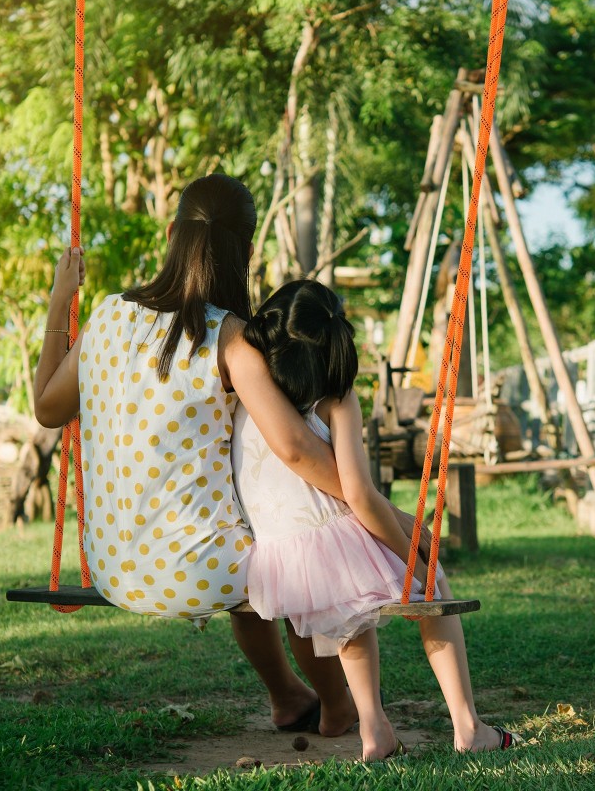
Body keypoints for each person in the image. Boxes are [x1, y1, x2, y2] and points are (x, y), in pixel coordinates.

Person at [33, 174, 357, 736]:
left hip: (116, 568)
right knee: (296, 553)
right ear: (249, 252)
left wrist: (62, 298)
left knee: (250, 556)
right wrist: (370, 510)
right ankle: (337, 706)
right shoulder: (228, 336)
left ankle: (286, 696)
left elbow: (46, 407)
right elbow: (296, 448)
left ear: (170, 233)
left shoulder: (107, 315)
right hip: (199, 571)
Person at [232, 279, 521, 760]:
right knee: (433, 587)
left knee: (351, 623)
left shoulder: (249, 399)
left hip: (278, 555)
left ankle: (375, 729)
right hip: (335, 533)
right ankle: (469, 727)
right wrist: (414, 554)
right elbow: (361, 498)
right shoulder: (337, 400)